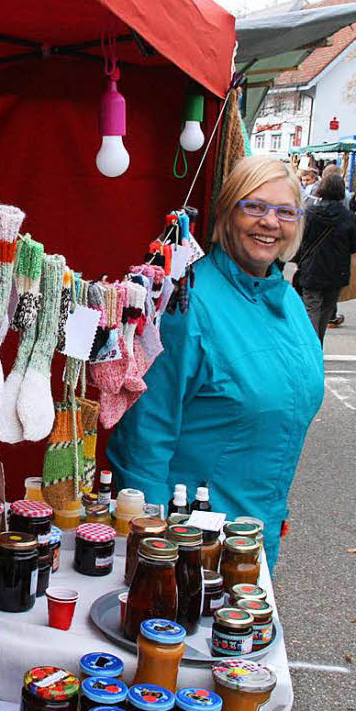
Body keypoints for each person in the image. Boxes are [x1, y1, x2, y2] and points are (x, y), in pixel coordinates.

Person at [107, 156, 324, 571]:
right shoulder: (186, 303)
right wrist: (147, 547)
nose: (269, 222)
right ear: (227, 213)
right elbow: (145, 437)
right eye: (254, 207)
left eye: (284, 211)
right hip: (190, 543)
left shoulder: (288, 300)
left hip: (255, 531)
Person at [294, 173, 356, 341]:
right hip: (337, 272)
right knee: (326, 311)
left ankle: (309, 347)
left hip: (312, 269)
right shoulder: (348, 217)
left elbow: (300, 240)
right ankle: (317, 345)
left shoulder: (310, 213)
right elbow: (353, 246)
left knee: (311, 308)